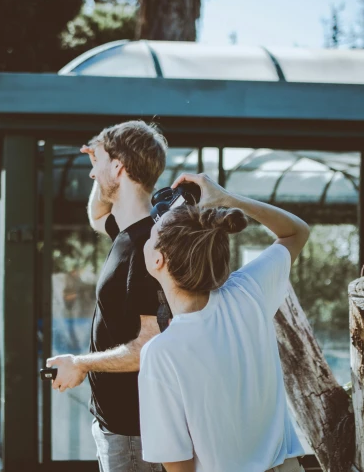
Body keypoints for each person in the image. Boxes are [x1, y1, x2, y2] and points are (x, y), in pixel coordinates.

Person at [138, 172, 311, 472]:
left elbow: (178, 464)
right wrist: (229, 199)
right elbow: (296, 232)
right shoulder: (247, 292)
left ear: (158, 261)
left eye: (152, 236)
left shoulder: (161, 354)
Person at [46, 120, 168, 472]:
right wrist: (101, 157)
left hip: (133, 431)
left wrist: (80, 363)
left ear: (119, 167)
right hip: (114, 424)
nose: (91, 175)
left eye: (97, 163)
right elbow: (96, 213)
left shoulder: (148, 246)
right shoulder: (128, 231)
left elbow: (148, 348)